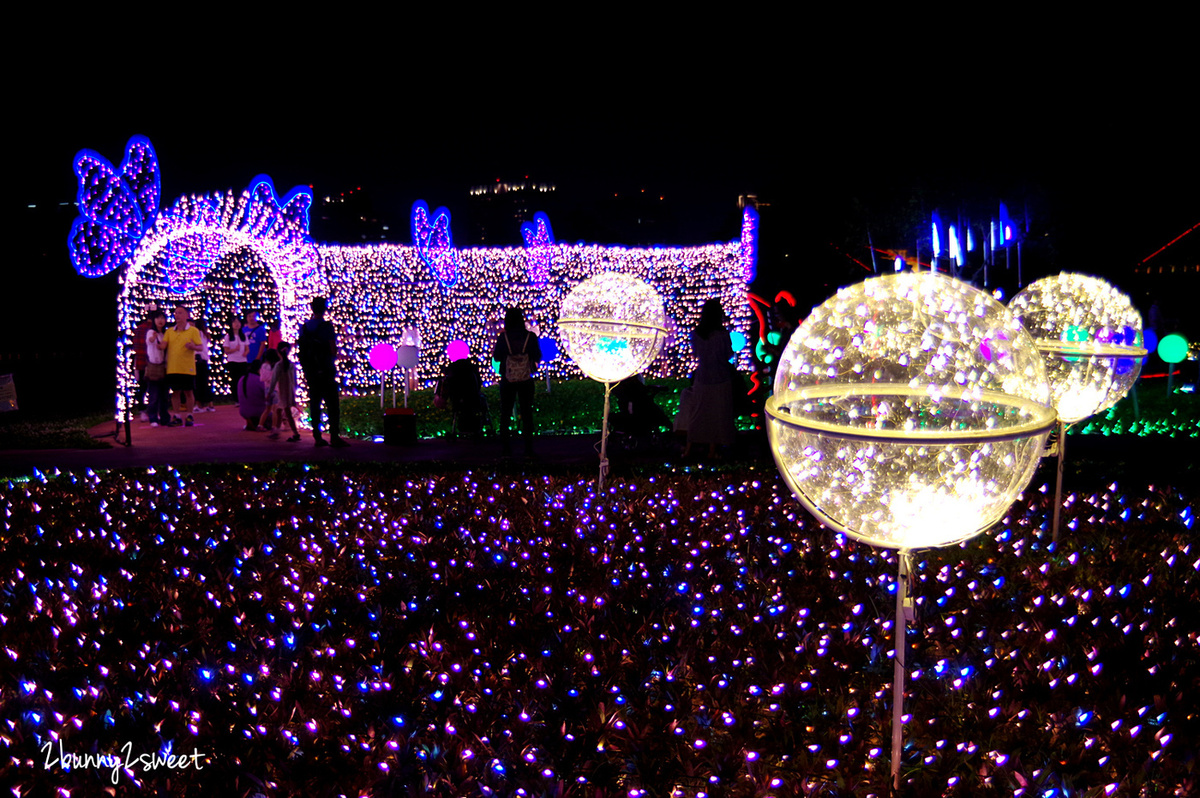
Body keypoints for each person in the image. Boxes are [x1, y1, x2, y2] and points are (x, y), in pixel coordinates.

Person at [680, 298, 736, 459]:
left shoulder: (697, 334)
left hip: (702, 377)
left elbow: (696, 354)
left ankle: (689, 448)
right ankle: (713, 449)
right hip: (721, 377)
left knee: (699, 413)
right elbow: (728, 354)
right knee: (718, 414)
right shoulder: (723, 334)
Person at [297, 296, 349, 447]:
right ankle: (334, 436)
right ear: (324, 309)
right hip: (326, 370)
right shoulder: (326, 327)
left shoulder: (305, 327)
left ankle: (317, 437)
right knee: (332, 404)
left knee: (315, 403)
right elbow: (332, 348)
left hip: (311, 372)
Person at [492, 306, 541, 456]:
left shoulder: (503, 338)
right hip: (526, 379)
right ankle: (528, 448)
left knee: (505, 413)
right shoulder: (530, 337)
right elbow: (537, 355)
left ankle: (506, 449)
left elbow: (497, 357)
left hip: (508, 379)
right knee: (527, 413)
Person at [163, 304, 203, 427]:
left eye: (180, 313)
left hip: (187, 367)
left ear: (187, 315)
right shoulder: (169, 331)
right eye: (175, 313)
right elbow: (163, 346)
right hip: (172, 367)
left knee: (188, 392)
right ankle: (177, 416)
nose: (177, 315)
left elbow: (201, 347)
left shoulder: (193, 331)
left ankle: (190, 415)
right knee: (175, 393)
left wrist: (192, 347)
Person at [266, 341, 301, 442]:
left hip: (282, 391)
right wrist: (294, 390)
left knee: (286, 412)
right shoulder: (291, 365)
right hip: (289, 390)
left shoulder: (279, 365)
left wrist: (269, 392)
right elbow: (295, 380)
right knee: (279, 410)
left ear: (278, 352)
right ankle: (276, 431)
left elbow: (274, 380)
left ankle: (295, 433)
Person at [143, 310, 171, 427]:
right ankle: (153, 418)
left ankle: (164, 417)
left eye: (162, 318)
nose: (161, 321)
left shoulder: (167, 333)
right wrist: (153, 339)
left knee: (164, 396)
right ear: (154, 320)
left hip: (166, 368)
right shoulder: (151, 332)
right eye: (158, 318)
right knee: (153, 395)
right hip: (154, 367)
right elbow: (149, 341)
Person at [236, 360, 268, 431]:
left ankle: (251, 423)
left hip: (244, 412)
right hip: (259, 412)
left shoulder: (242, 378)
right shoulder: (260, 380)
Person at [222, 316, 249, 397]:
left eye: (238, 322)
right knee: (235, 380)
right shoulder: (228, 336)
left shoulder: (244, 336)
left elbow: (247, 348)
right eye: (235, 322)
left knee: (243, 380)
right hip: (233, 361)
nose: (237, 324)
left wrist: (246, 352)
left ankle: (243, 397)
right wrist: (234, 349)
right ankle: (236, 398)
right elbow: (226, 350)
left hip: (243, 361)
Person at [192, 319, 215, 412]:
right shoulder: (205, 334)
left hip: (198, 359)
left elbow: (198, 346)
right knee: (204, 383)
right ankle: (210, 404)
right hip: (204, 360)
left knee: (198, 383)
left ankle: (199, 405)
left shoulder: (197, 333)